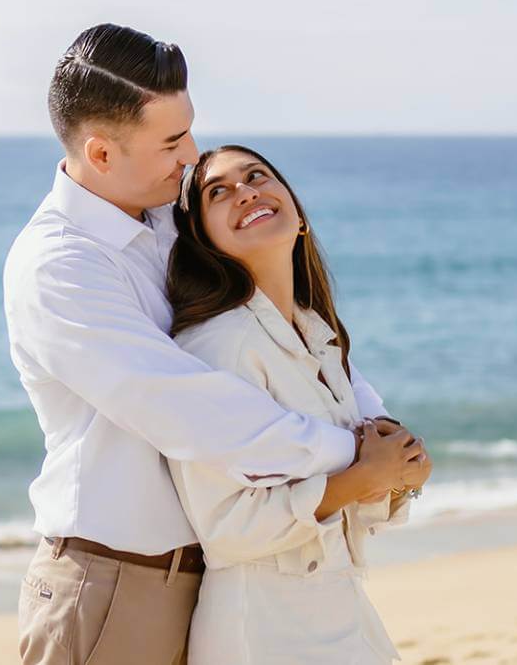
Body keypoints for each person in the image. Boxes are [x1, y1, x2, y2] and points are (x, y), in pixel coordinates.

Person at [3, 23, 427, 665]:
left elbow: (297, 331)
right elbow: (188, 408)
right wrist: (353, 455)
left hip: (215, 575)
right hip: (116, 583)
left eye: (188, 129)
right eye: (172, 141)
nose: (189, 156)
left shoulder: (170, 221)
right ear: (101, 155)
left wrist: (379, 426)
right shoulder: (59, 266)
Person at [164, 144, 432, 665]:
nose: (246, 192)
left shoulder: (318, 335)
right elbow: (226, 529)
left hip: (341, 607)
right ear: (205, 241)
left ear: (299, 214)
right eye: (218, 192)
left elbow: (366, 483)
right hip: (265, 626)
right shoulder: (218, 346)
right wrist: (365, 477)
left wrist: (403, 476)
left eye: (256, 175)